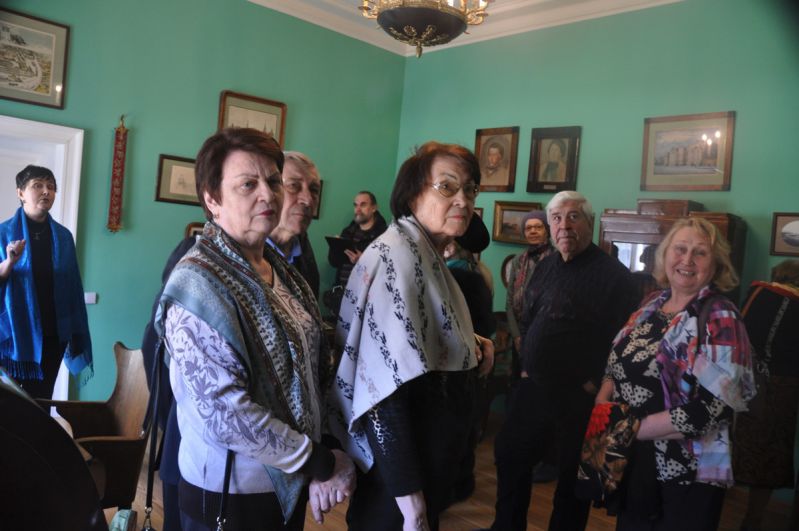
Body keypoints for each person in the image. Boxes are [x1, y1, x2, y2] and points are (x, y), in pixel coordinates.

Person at [156, 128, 355, 530]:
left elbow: (312, 365)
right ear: (212, 199)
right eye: (248, 184)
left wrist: (327, 444)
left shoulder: (282, 273)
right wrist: (319, 461)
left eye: (274, 181)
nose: (268, 194)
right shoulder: (198, 283)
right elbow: (224, 412)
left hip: (286, 484)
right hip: (229, 495)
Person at [329, 141, 495, 531]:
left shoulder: (422, 250)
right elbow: (383, 395)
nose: (463, 200)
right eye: (447, 187)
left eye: (470, 190)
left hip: (425, 467)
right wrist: (412, 505)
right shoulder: (398, 258)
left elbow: (416, 335)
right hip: (399, 482)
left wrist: (469, 340)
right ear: (412, 194)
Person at [486, 190, 639, 531]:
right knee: (510, 455)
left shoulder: (615, 276)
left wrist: (593, 383)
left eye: (573, 217)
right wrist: (527, 364)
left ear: (590, 223)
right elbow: (529, 315)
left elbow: (625, 341)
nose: (564, 226)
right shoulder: (546, 265)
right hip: (535, 385)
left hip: (579, 395)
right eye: (556, 218)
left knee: (571, 479)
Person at [597, 217, 755, 531]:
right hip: (632, 460)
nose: (687, 259)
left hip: (686, 472)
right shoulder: (651, 305)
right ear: (665, 254)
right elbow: (617, 363)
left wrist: (630, 428)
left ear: (716, 265)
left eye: (700, 252)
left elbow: (713, 408)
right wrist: (604, 398)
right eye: (680, 249)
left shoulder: (720, 316)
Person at [0, 165, 93, 399]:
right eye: (37, 185)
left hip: (54, 335)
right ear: (21, 193)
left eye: (51, 187)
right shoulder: (3, 233)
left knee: (41, 400)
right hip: (13, 335)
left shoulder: (63, 237)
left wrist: (74, 329)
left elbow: (73, 286)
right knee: (10, 404)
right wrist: (9, 262)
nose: (46, 191)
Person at [733, 259, 799, 531]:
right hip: (785, 389)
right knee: (771, 457)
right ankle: (753, 518)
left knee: (742, 447)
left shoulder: (756, 295)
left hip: (748, 381)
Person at [266, 151, 322, 297]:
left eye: (314, 190)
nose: (308, 200)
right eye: (293, 186)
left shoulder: (303, 248)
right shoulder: (243, 252)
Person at [325, 190, 387, 314]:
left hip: (366, 300)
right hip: (341, 295)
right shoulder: (347, 231)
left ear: (374, 208)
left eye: (363, 205)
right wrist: (335, 246)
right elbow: (334, 263)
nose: (358, 209)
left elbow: (386, 269)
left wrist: (363, 260)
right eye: (355, 205)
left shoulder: (383, 235)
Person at [505, 210, 553, 355]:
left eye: (538, 227)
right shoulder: (518, 261)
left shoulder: (557, 259)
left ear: (547, 230)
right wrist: (516, 335)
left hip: (548, 334)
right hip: (520, 333)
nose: (533, 231)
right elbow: (509, 301)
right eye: (528, 228)